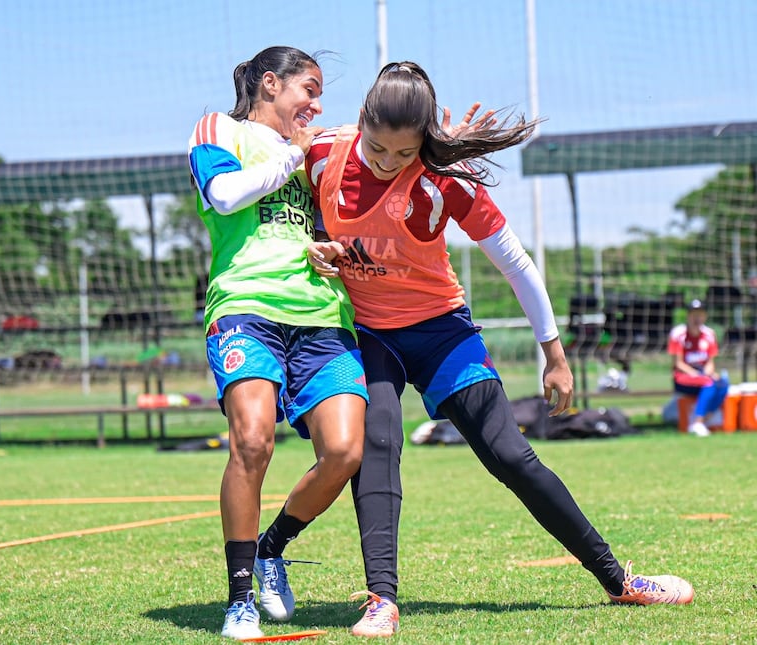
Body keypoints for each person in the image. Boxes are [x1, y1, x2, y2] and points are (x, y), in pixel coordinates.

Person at [304, 61, 695, 638]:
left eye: (404, 154)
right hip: (368, 334)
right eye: (378, 148)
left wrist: (554, 355)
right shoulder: (322, 154)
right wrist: (313, 244)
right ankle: (381, 600)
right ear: (360, 120)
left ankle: (620, 581)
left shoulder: (448, 180)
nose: (388, 163)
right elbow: (281, 207)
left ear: (426, 143)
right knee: (377, 445)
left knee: (510, 456)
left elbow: (515, 263)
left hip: (441, 331)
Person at [187, 46, 369, 640]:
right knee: (253, 441)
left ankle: (273, 548)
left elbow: (323, 226)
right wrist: (295, 153)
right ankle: (240, 597)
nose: (315, 105)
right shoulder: (221, 128)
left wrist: (329, 246)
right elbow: (224, 196)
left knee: (344, 453)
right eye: (308, 90)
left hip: (321, 315)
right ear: (270, 84)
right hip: (245, 310)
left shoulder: (315, 154)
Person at [668, 298, 729, 437]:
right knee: (708, 383)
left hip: (702, 375)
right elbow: (678, 363)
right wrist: (696, 374)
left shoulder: (709, 334)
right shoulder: (678, 334)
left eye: (700, 314)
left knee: (722, 384)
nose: (697, 318)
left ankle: (703, 421)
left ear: (705, 316)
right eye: (694, 314)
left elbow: (710, 361)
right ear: (688, 316)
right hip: (683, 376)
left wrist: (708, 371)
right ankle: (697, 422)